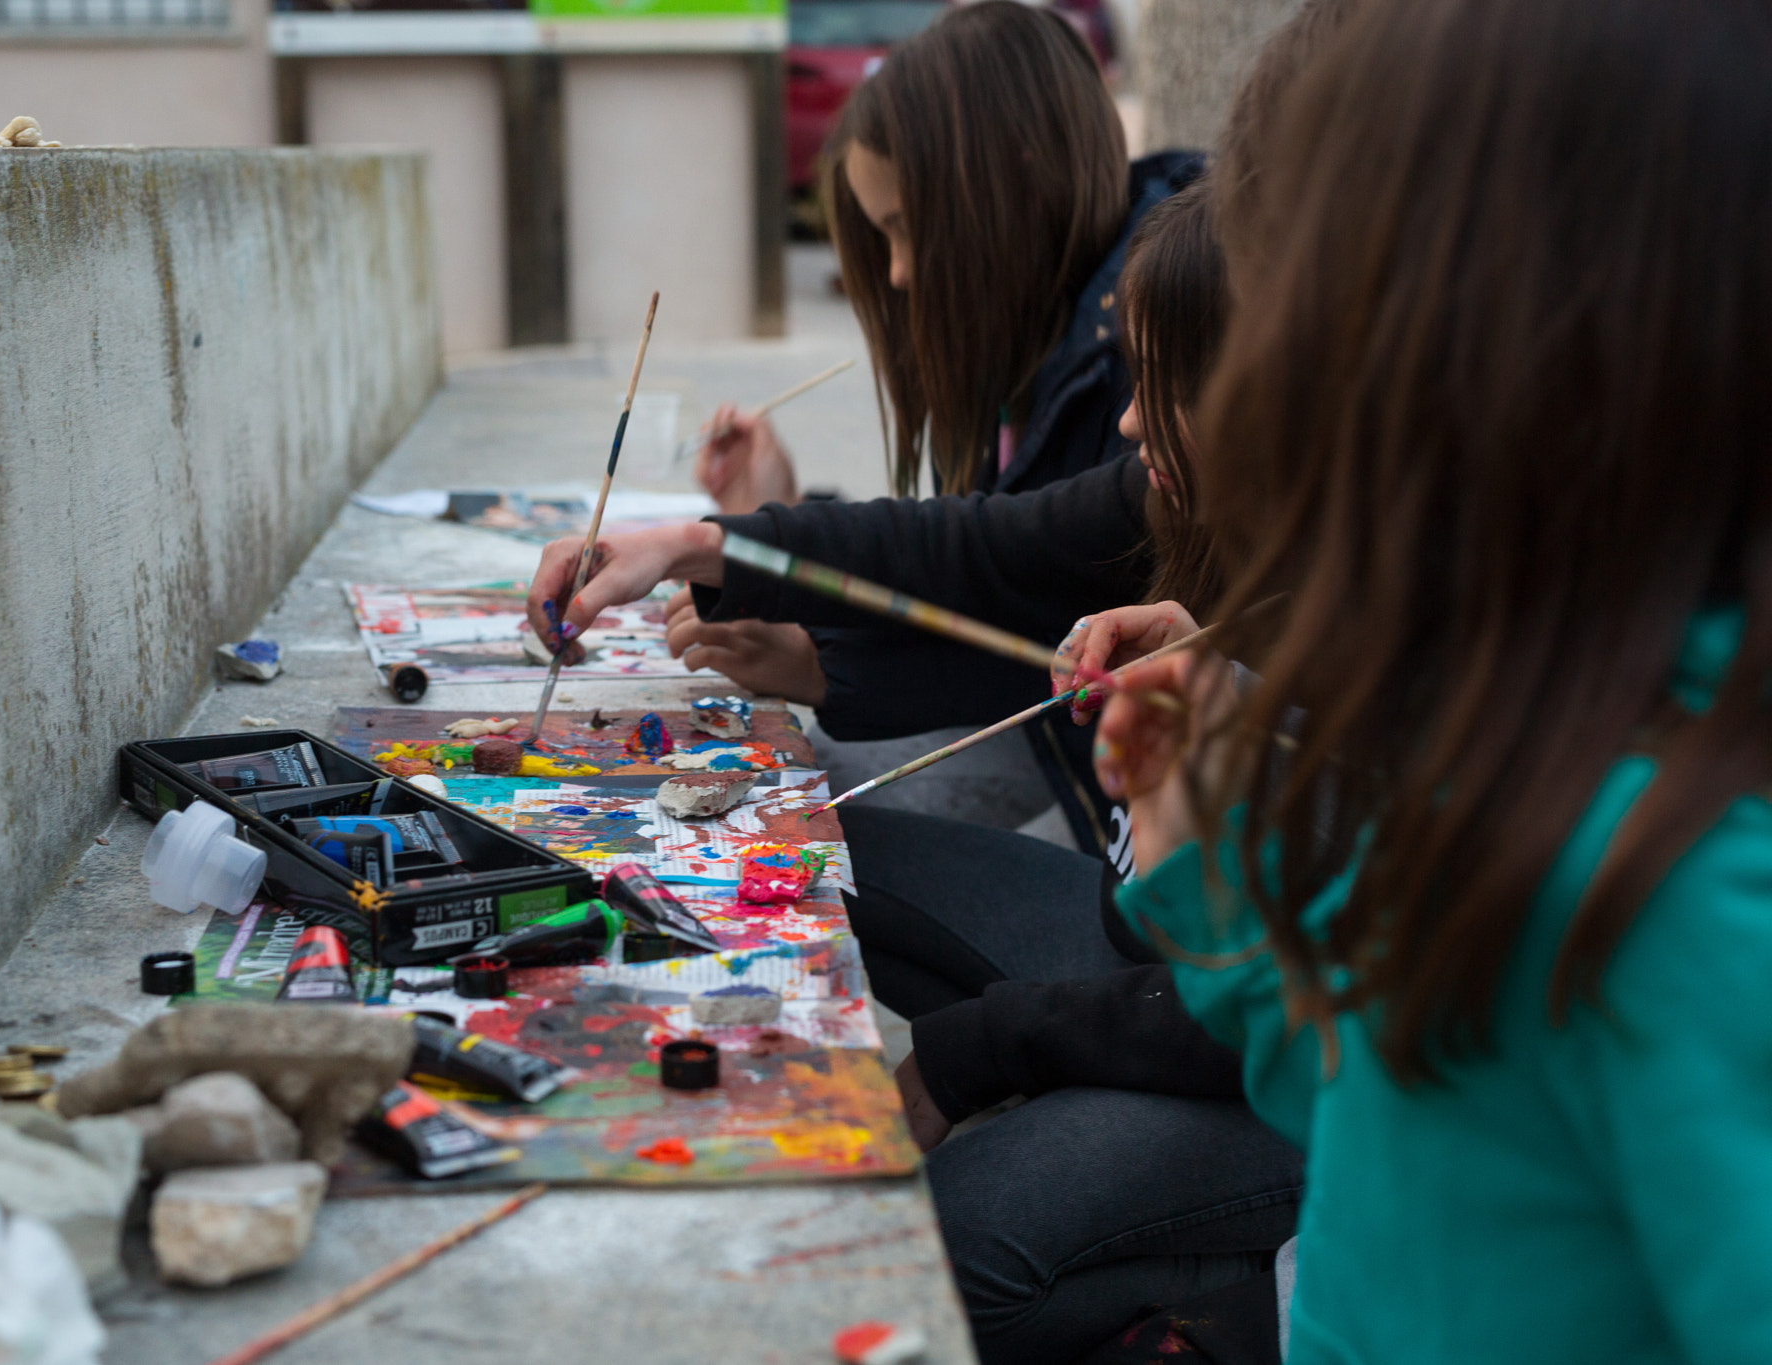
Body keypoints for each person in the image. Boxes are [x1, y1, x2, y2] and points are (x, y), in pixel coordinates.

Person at [1095, 0, 1772, 1359]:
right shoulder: (1511, 732)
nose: (1247, 382)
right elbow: (1359, 1087)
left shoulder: (1679, 886)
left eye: (1293, 306)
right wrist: (1207, 861)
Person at [527, 180, 1303, 1364]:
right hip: (1170, 973)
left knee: (926, 1248)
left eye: (899, 229)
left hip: (1266, 1054)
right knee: (808, 854)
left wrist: (974, 1053)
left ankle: (1209, 1296)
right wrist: (707, 546)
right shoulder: (1190, 504)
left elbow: (1247, 1004)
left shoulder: (1386, 633)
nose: (1133, 424)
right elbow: (981, 553)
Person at [664, 0, 1202, 861]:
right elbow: (979, 558)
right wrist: (786, 524)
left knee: (790, 838)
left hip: (1118, 821)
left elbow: (1021, 608)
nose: (901, 273)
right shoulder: (1065, 323)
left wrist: (801, 628)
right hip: (1096, 799)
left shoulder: (1147, 334)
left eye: (905, 231)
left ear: (1012, 182)